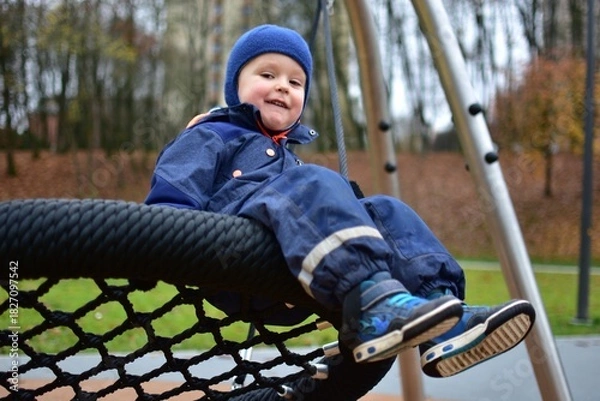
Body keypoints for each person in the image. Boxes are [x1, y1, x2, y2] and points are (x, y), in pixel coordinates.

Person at [145, 24, 535, 378]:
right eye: (267, 75)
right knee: (315, 181)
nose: (283, 86)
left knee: (385, 209)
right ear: (235, 86)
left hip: (303, 277)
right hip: (239, 264)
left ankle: (442, 313)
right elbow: (169, 200)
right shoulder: (211, 135)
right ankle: (372, 304)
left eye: (296, 82)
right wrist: (153, 249)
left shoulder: (291, 161)